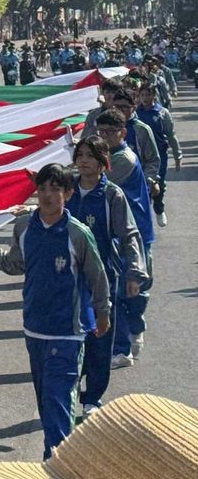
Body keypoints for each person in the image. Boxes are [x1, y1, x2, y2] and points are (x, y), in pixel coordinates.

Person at [0, 163, 110, 460]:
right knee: (47, 403)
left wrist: (102, 312)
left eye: (55, 189)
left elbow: (97, 275)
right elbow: (15, 264)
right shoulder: (25, 227)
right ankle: (60, 458)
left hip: (67, 333)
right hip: (34, 328)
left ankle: (56, 465)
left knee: (58, 402)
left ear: (68, 193)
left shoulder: (77, 234)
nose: (47, 195)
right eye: (42, 188)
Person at [66, 136, 147, 417]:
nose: (84, 160)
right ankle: (68, 393)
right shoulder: (66, 190)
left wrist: (134, 273)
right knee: (70, 339)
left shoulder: (112, 195)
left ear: (103, 162)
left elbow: (128, 235)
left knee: (100, 338)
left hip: (100, 278)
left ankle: (92, 399)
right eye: (80, 154)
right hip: (67, 279)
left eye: (91, 155)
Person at [92, 109, 155, 370]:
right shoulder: (109, 156)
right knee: (120, 293)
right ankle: (127, 339)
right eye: (101, 132)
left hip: (133, 234)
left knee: (129, 289)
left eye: (111, 132)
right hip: (118, 233)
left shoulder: (123, 159)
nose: (105, 137)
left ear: (123, 133)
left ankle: (123, 346)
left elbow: (92, 181)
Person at [134, 82, 181, 227]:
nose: (145, 98)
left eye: (148, 95)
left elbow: (171, 135)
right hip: (140, 155)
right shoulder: (135, 113)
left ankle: (159, 208)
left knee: (157, 183)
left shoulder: (162, 113)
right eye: (142, 95)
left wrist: (177, 155)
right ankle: (144, 214)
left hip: (159, 156)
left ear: (154, 95)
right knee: (142, 184)